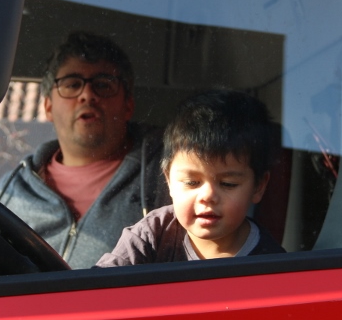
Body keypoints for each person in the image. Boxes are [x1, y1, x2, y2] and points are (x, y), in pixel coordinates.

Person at [0, 32, 165, 268]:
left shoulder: (172, 176)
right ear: (48, 106)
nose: (87, 95)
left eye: (103, 85)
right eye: (72, 84)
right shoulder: (6, 195)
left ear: (128, 105)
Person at [96, 89, 285, 267]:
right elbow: (101, 283)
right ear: (169, 181)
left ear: (258, 187)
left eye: (228, 184)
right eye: (192, 182)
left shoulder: (272, 262)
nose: (208, 196)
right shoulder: (152, 234)